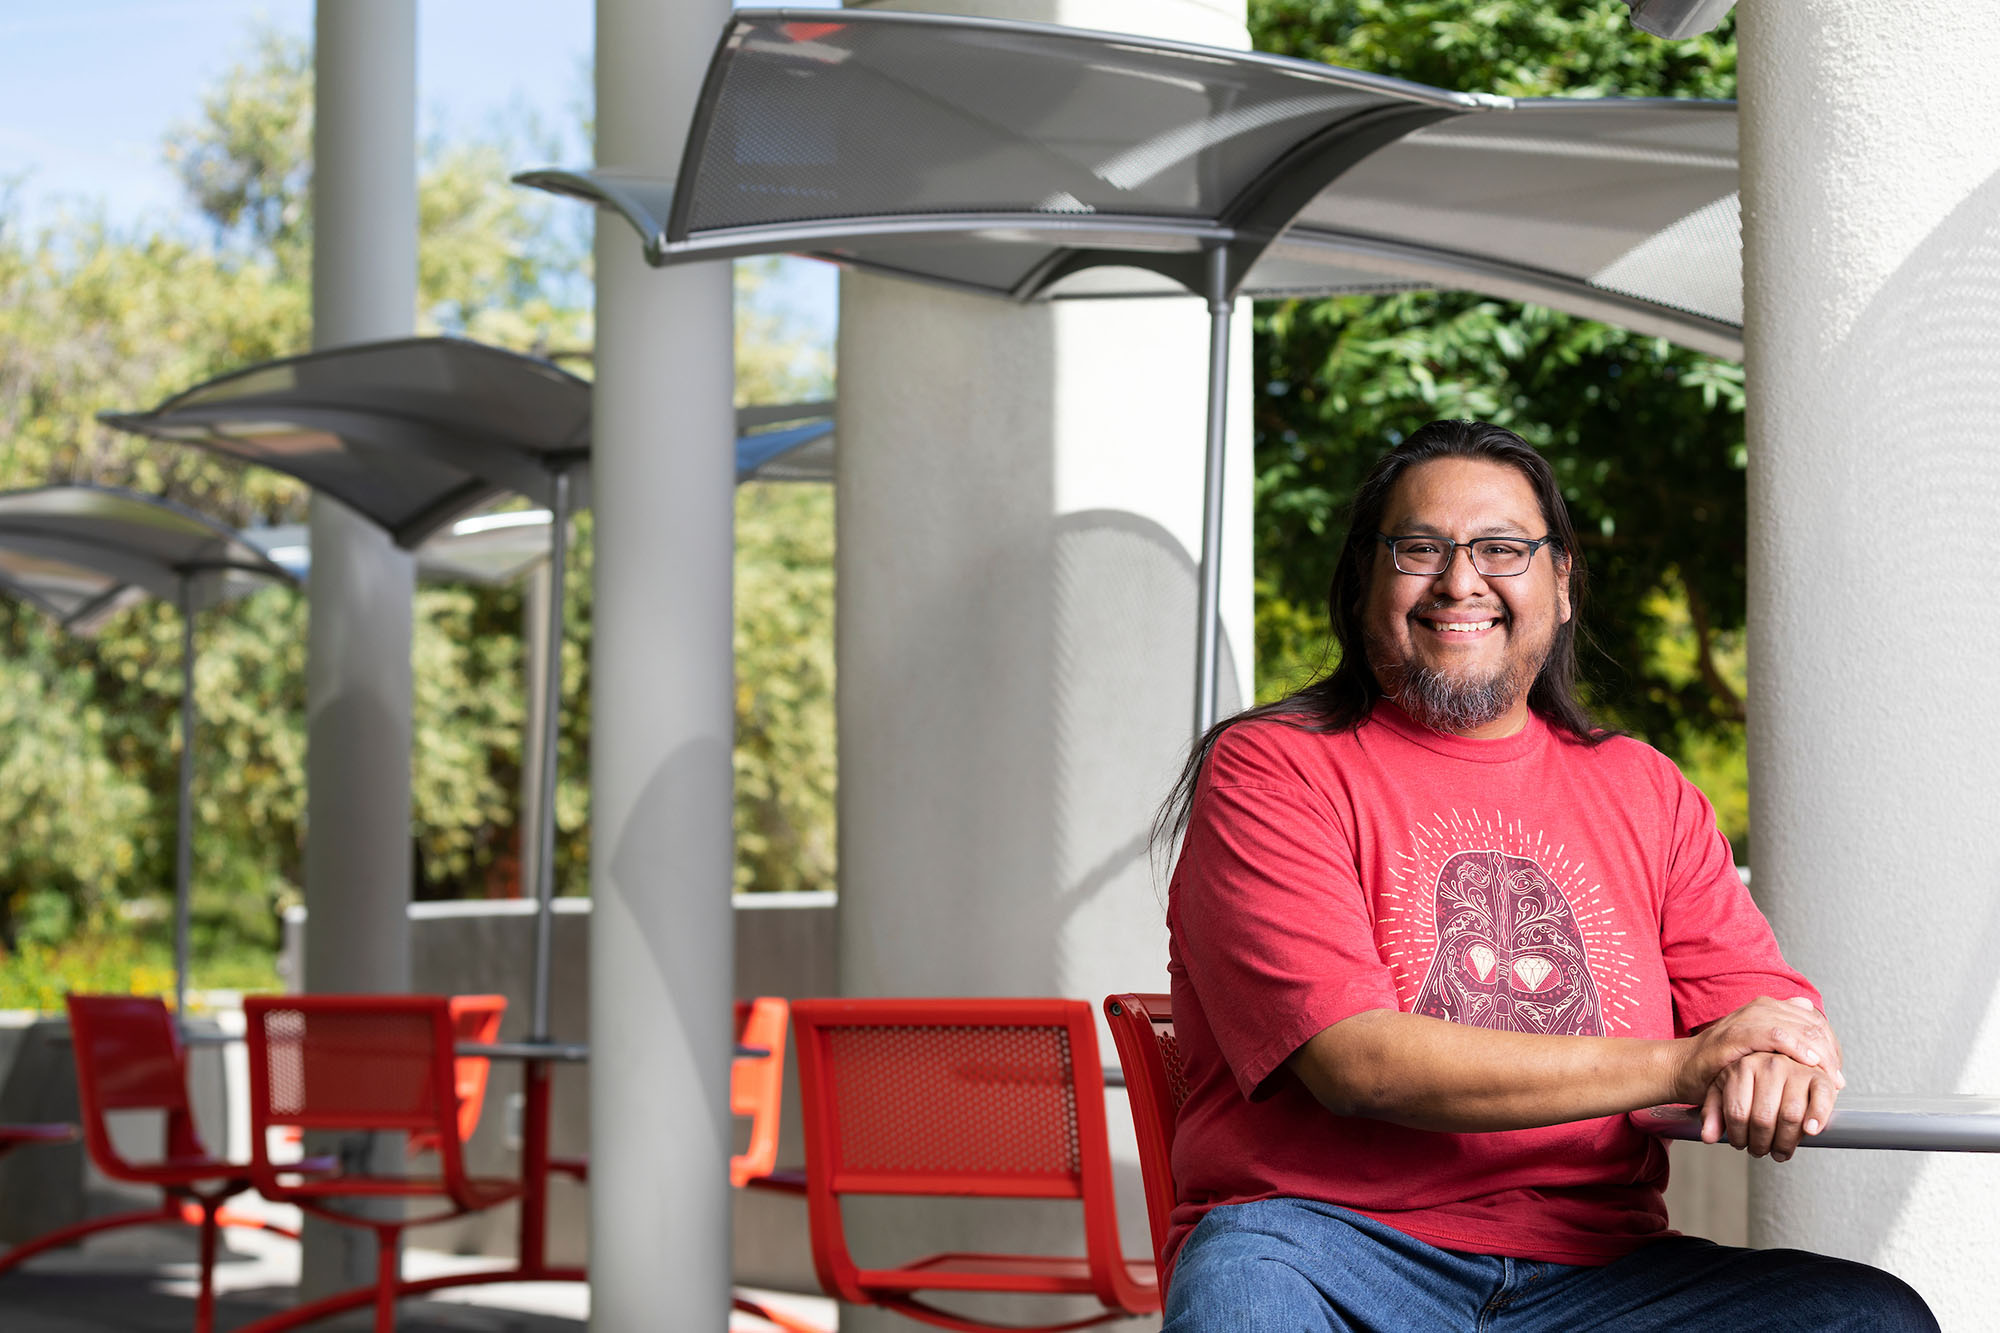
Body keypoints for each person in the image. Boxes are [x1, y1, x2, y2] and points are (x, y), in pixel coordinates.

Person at [1157, 420, 1935, 1331]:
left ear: (1560, 583)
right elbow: (1354, 1062)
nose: (1460, 580)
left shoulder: (1645, 788)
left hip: (1600, 1272)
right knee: (1241, 1299)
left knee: (1867, 1316)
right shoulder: (1274, 767)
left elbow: (1767, 1015)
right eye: (1419, 548)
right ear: (1364, 580)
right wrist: (1684, 1062)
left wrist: (1781, 1052)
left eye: (1502, 548)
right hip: (1325, 1248)